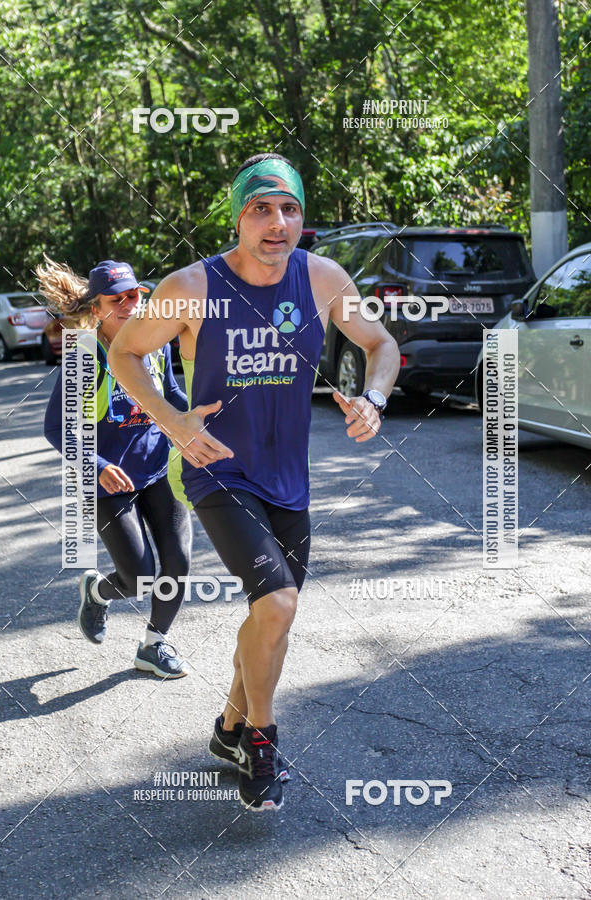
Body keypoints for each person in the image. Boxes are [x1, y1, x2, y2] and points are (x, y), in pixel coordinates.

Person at [108, 153, 400, 810]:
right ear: (238, 216)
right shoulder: (192, 287)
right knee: (277, 605)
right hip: (218, 471)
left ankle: (229, 726)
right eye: (261, 209)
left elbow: (379, 345)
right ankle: (261, 741)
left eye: (290, 209)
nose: (277, 223)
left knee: (271, 617)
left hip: (289, 478)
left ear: (302, 217)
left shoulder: (322, 278)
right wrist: (173, 421)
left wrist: (373, 399)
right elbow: (125, 352)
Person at [40, 256, 192, 678]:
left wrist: (195, 415)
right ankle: (98, 591)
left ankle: (154, 645)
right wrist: (97, 464)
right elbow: (55, 427)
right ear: (97, 308)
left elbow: (171, 393)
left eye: (135, 294)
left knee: (178, 560)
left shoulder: (154, 341)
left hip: (158, 470)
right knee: (140, 579)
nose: (130, 303)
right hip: (107, 483)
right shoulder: (84, 356)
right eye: (118, 298)